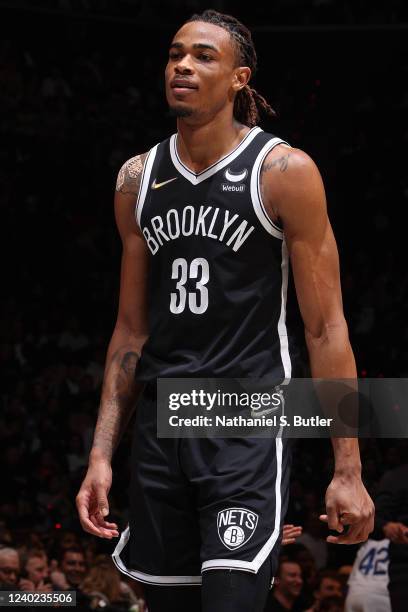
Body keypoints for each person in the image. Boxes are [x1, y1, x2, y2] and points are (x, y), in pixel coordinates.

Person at [76, 8, 374, 612]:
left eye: (203, 56)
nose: (182, 65)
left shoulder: (284, 172)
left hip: (248, 421)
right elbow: (131, 331)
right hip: (164, 426)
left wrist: (348, 468)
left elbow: (326, 327)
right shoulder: (137, 180)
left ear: (239, 79)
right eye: (174, 53)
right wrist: (102, 454)